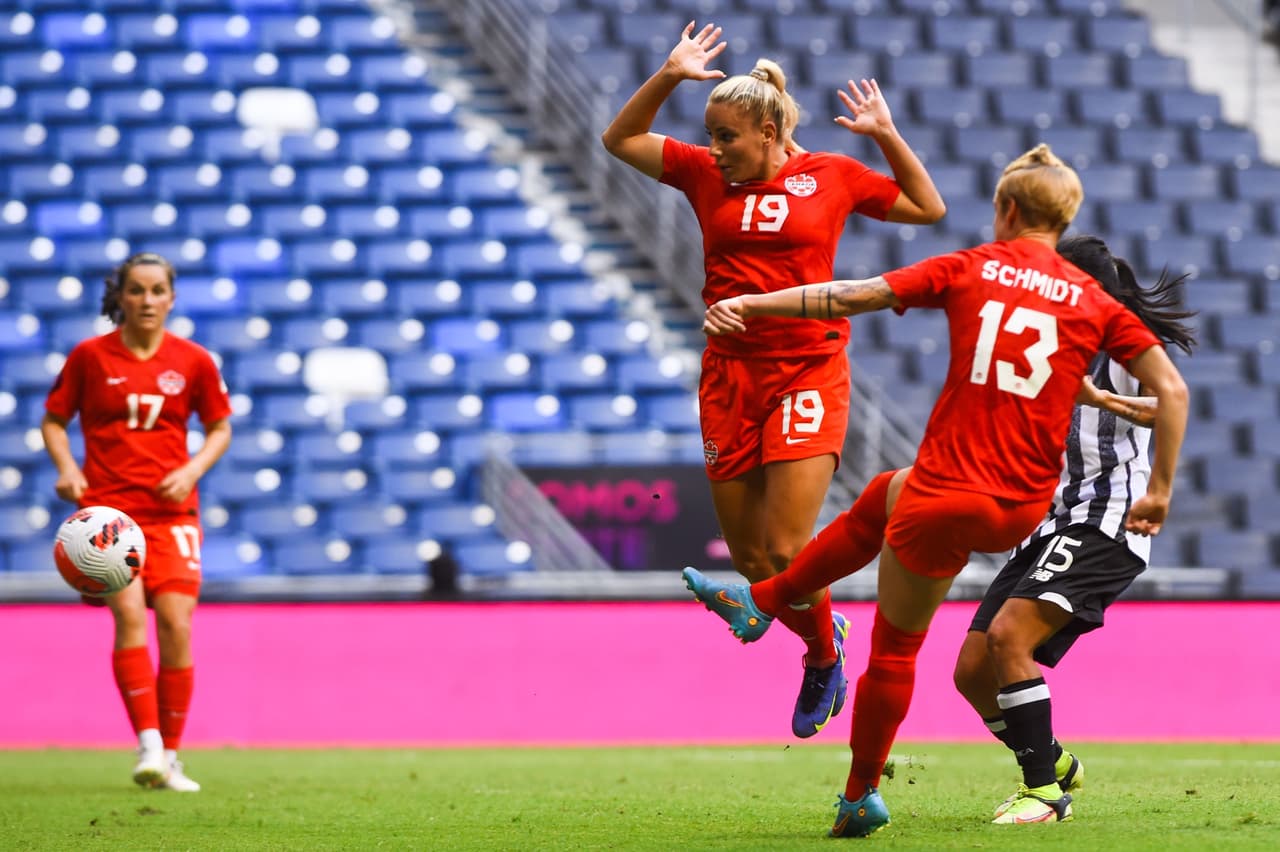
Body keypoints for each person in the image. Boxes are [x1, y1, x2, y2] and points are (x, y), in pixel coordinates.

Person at [682, 143, 1189, 837]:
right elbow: (1169, 390)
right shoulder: (1092, 309)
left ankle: (875, 793)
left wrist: (755, 304)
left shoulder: (976, 267)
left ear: (1006, 209)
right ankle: (765, 599)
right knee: (957, 637)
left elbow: (852, 294)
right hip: (1025, 510)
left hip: (992, 500)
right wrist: (1154, 470)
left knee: (900, 647)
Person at [601, 21, 946, 738]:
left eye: (727, 136)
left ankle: (822, 660)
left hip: (809, 371)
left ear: (766, 130)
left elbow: (927, 208)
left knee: (788, 550)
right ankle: (827, 641)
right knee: (754, 559)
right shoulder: (702, 174)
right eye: (710, 135)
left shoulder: (832, 175)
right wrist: (668, 74)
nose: (715, 148)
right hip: (729, 380)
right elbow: (619, 140)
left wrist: (883, 133)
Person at [952, 235, 1197, 823]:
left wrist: (1157, 489)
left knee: (1011, 638)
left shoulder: (1127, 346)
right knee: (971, 674)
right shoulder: (1045, 342)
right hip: (1048, 523)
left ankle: (1042, 793)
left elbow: (1172, 401)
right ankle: (1055, 760)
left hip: (1108, 521)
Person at [42, 253, 233, 792]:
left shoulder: (193, 361)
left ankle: (171, 754)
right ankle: (148, 745)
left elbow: (220, 427)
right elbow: (54, 420)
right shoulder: (89, 357)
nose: (147, 301)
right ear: (120, 297)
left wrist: (192, 468)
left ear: (171, 299)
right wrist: (66, 470)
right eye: (137, 291)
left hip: (173, 512)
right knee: (129, 615)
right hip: (109, 514)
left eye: (157, 291)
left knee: (176, 623)